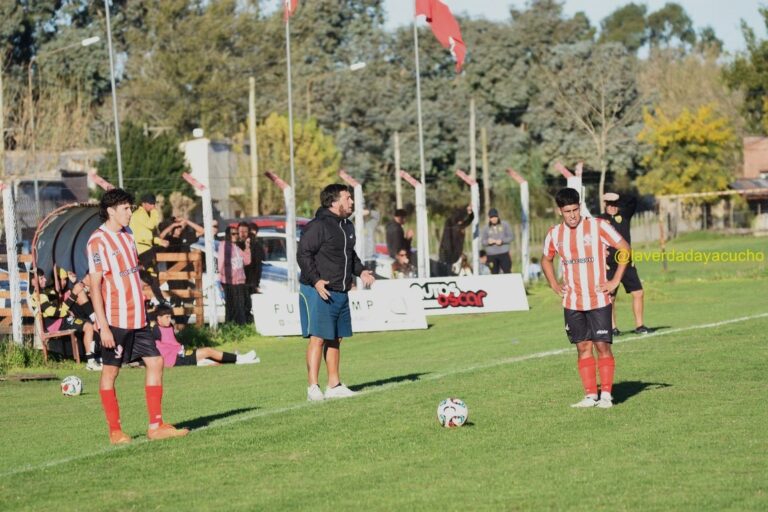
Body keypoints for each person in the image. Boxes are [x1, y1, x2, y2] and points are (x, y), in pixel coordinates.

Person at [88, 188, 188, 444]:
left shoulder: (128, 234)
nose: (130, 212)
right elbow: (95, 286)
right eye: (125, 208)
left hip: (138, 318)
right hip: (115, 319)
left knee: (155, 362)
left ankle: (156, 426)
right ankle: (115, 431)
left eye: (130, 207)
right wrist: (103, 326)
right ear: (111, 211)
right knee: (111, 372)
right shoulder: (97, 242)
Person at [541, 188, 630, 409]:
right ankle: (590, 395)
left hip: (599, 299)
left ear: (579, 207)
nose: (572, 215)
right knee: (582, 347)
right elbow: (546, 259)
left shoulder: (597, 226)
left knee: (602, 346)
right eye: (567, 211)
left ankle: (607, 396)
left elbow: (624, 248)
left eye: (575, 209)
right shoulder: (554, 233)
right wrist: (553, 283)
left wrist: (615, 281)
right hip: (572, 301)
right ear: (559, 211)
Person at [297, 184, 375, 401]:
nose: (351, 202)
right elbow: (303, 254)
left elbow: (351, 256)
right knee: (318, 337)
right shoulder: (318, 226)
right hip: (319, 290)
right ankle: (313, 387)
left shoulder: (347, 226)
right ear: (334, 202)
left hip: (341, 291)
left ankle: (334, 385)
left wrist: (361, 272)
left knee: (336, 338)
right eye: (347, 198)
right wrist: (316, 280)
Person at [29, 269, 100, 371]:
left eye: (44, 277)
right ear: (33, 281)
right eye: (41, 278)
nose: (45, 279)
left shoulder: (47, 292)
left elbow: (59, 304)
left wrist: (75, 284)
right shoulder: (39, 296)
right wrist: (73, 295)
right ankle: (91, 362)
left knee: (89, 325)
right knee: (88, 326)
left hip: (60, 321)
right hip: (55, 324)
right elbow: (55, 313)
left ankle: (95, 357)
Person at [599, 192, 648, 335]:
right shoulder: (599, 220)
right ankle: (613, 328)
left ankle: (640, 326)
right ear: (605, 205)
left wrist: (617, 196)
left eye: (615, 204)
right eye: (610, 204)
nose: (613, 207)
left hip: (626, 262)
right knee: (610, 296)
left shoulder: (624, 215)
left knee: (638, 292)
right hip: (609, 264)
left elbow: (633, 199)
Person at [152, 305, 259, 367]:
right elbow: (153, 348)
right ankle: (240, 358)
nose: (169, 319)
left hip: (182, 354)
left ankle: (239, 360)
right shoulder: (156, 330)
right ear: (158, 318)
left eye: (170, 316)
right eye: (166, 317)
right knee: (208, 351)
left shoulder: (169, 326)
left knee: (212, 359)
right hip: (176, 359)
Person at [129, 193, 172, 307]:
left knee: (153, 274)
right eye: (151, 204)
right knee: (153, 274)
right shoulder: (140, 214)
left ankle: (160, 298)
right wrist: (154, 212)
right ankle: (160, 299)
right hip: (142, 249)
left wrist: (159, 241)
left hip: (145, 247)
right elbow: (151, 225)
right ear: (143, 204)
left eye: (154, 204)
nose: (153, 206)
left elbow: (146, 235)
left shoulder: (142, 214)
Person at [218, 227, 252, 324]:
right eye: (233, 234)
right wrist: (223, 276)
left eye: (236, 233)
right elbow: (221, 263)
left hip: (239, 281)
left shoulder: (236, 247)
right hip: (229, 281)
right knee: (231, 306)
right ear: (228, 235)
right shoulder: (224, 245)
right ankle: (230, 325)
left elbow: (247, 261)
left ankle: (240, 325)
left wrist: (247, 247)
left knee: (240, 305)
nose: (235, 236)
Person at [438, 205, 474, 276]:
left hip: (455, 254)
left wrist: (470, 213)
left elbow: (469, 221)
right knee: (449, 271)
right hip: (448, 254)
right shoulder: (451, 225)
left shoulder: (459, 225)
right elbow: (447, 241)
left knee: (456, 271)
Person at [480, 208, 514, 274]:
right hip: (491, 255)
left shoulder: (505, 224)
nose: (494, 219)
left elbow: (511, 237)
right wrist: (488, 242)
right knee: (494, 273)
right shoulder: (485, 228)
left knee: (507, 271)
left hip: (504, 253)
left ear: (498, 216)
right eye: (492, 217)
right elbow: (483, 241)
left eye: (495, 217)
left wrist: (502, 241)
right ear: (489, 218)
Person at [237, 222, 263, 295]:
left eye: (245, 232)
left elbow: (257, 266)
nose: (243, 234)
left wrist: (255, 284)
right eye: (241, 231)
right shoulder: (234, 245)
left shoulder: (255, 246)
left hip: (249, 283)